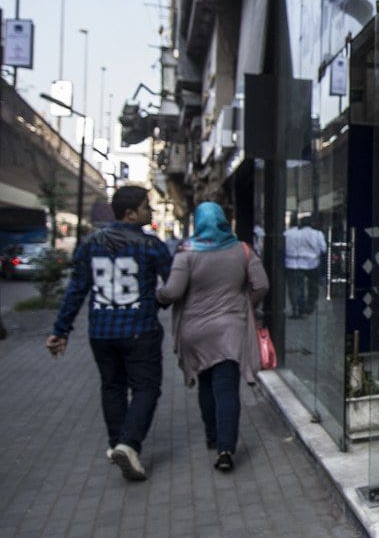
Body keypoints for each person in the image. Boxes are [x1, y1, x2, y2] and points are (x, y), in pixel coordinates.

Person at [46, 185, 173, 481]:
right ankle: (128, 444)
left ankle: (119, 443)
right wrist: (159, 302)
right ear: (130, 214)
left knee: (112, 386)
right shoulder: (151, 246)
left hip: (101, 331)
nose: (150, 212)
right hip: (140, 329)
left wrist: (60, 330)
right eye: (146, 207)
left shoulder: (90, 243)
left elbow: (76, 290)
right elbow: (172, 283)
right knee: (146, 387)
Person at [156, 202, 268, 472]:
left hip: (196, 330)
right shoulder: (242, 250)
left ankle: (212, 435)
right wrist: (245, 302)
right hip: (230, 328)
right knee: (227, 387)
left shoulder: (187, 253)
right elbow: (262, 285)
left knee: (206, 382)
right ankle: (226, 449)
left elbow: (172, 292)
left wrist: (157, 297)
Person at [283, 215, 325, 317]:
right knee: (313, 287)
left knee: (297, 287)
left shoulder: (296, 234)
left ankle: (298, 308)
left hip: (297, 263)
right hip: (313, 263)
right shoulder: (318, 234)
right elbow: (323, 249)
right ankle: (309, 307)